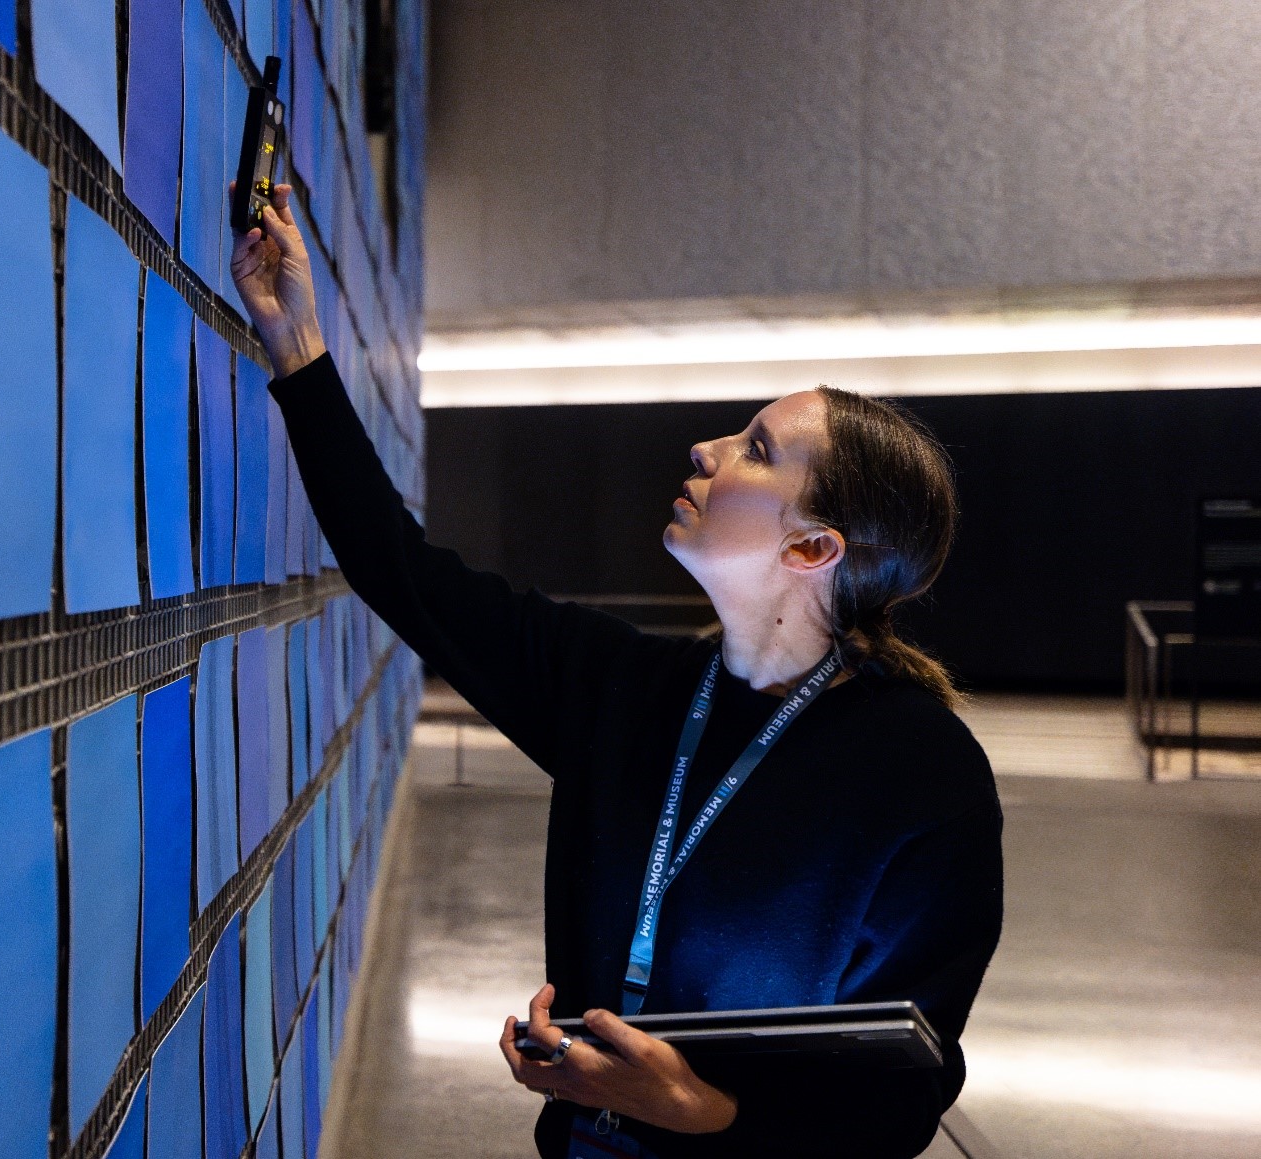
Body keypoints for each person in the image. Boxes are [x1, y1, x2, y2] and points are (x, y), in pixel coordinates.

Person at [231, 185, 1003, 1158]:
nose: (707, 447)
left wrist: (698, 1110)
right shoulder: (622, 688)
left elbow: (900, 1092)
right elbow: (401, 571)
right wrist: (296, 346)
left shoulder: (927, 779)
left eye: (756, 449)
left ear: (812, 549)